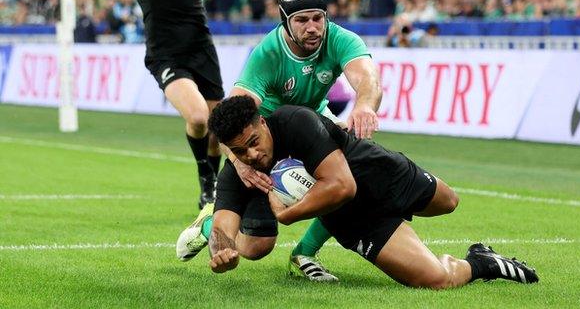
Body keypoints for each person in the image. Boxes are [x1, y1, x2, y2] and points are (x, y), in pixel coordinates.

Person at [180, 96, 539, 288]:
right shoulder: (238, 174)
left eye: (254, 143)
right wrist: (221, 251)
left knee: (449, 202)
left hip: (373, 170)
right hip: (351, 216)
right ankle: (481, 262)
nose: (252, 155)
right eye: (240, 151)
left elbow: (342, 183)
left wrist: (288, 214)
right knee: (436, 280)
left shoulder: (295, 122)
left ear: (262, 122)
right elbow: (226, 228)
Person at [177, 0, 382, 281]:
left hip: (308, 128)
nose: (312, 27)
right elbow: (226, 120)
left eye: (318, 18)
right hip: (263, 143)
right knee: (258, 246)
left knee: (351, 174)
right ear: (286, 21)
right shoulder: (268, 54)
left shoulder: (341, 39)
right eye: (301, 20)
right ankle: (207, 225)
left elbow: (368, 79)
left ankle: (304, 253)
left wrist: (364, 105)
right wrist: (239, 163)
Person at [71, 0, 266, 209]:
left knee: (217, 128)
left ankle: (214, 182)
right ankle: (206, 178)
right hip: (165, 53)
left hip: (201, 48)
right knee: (198, 117)